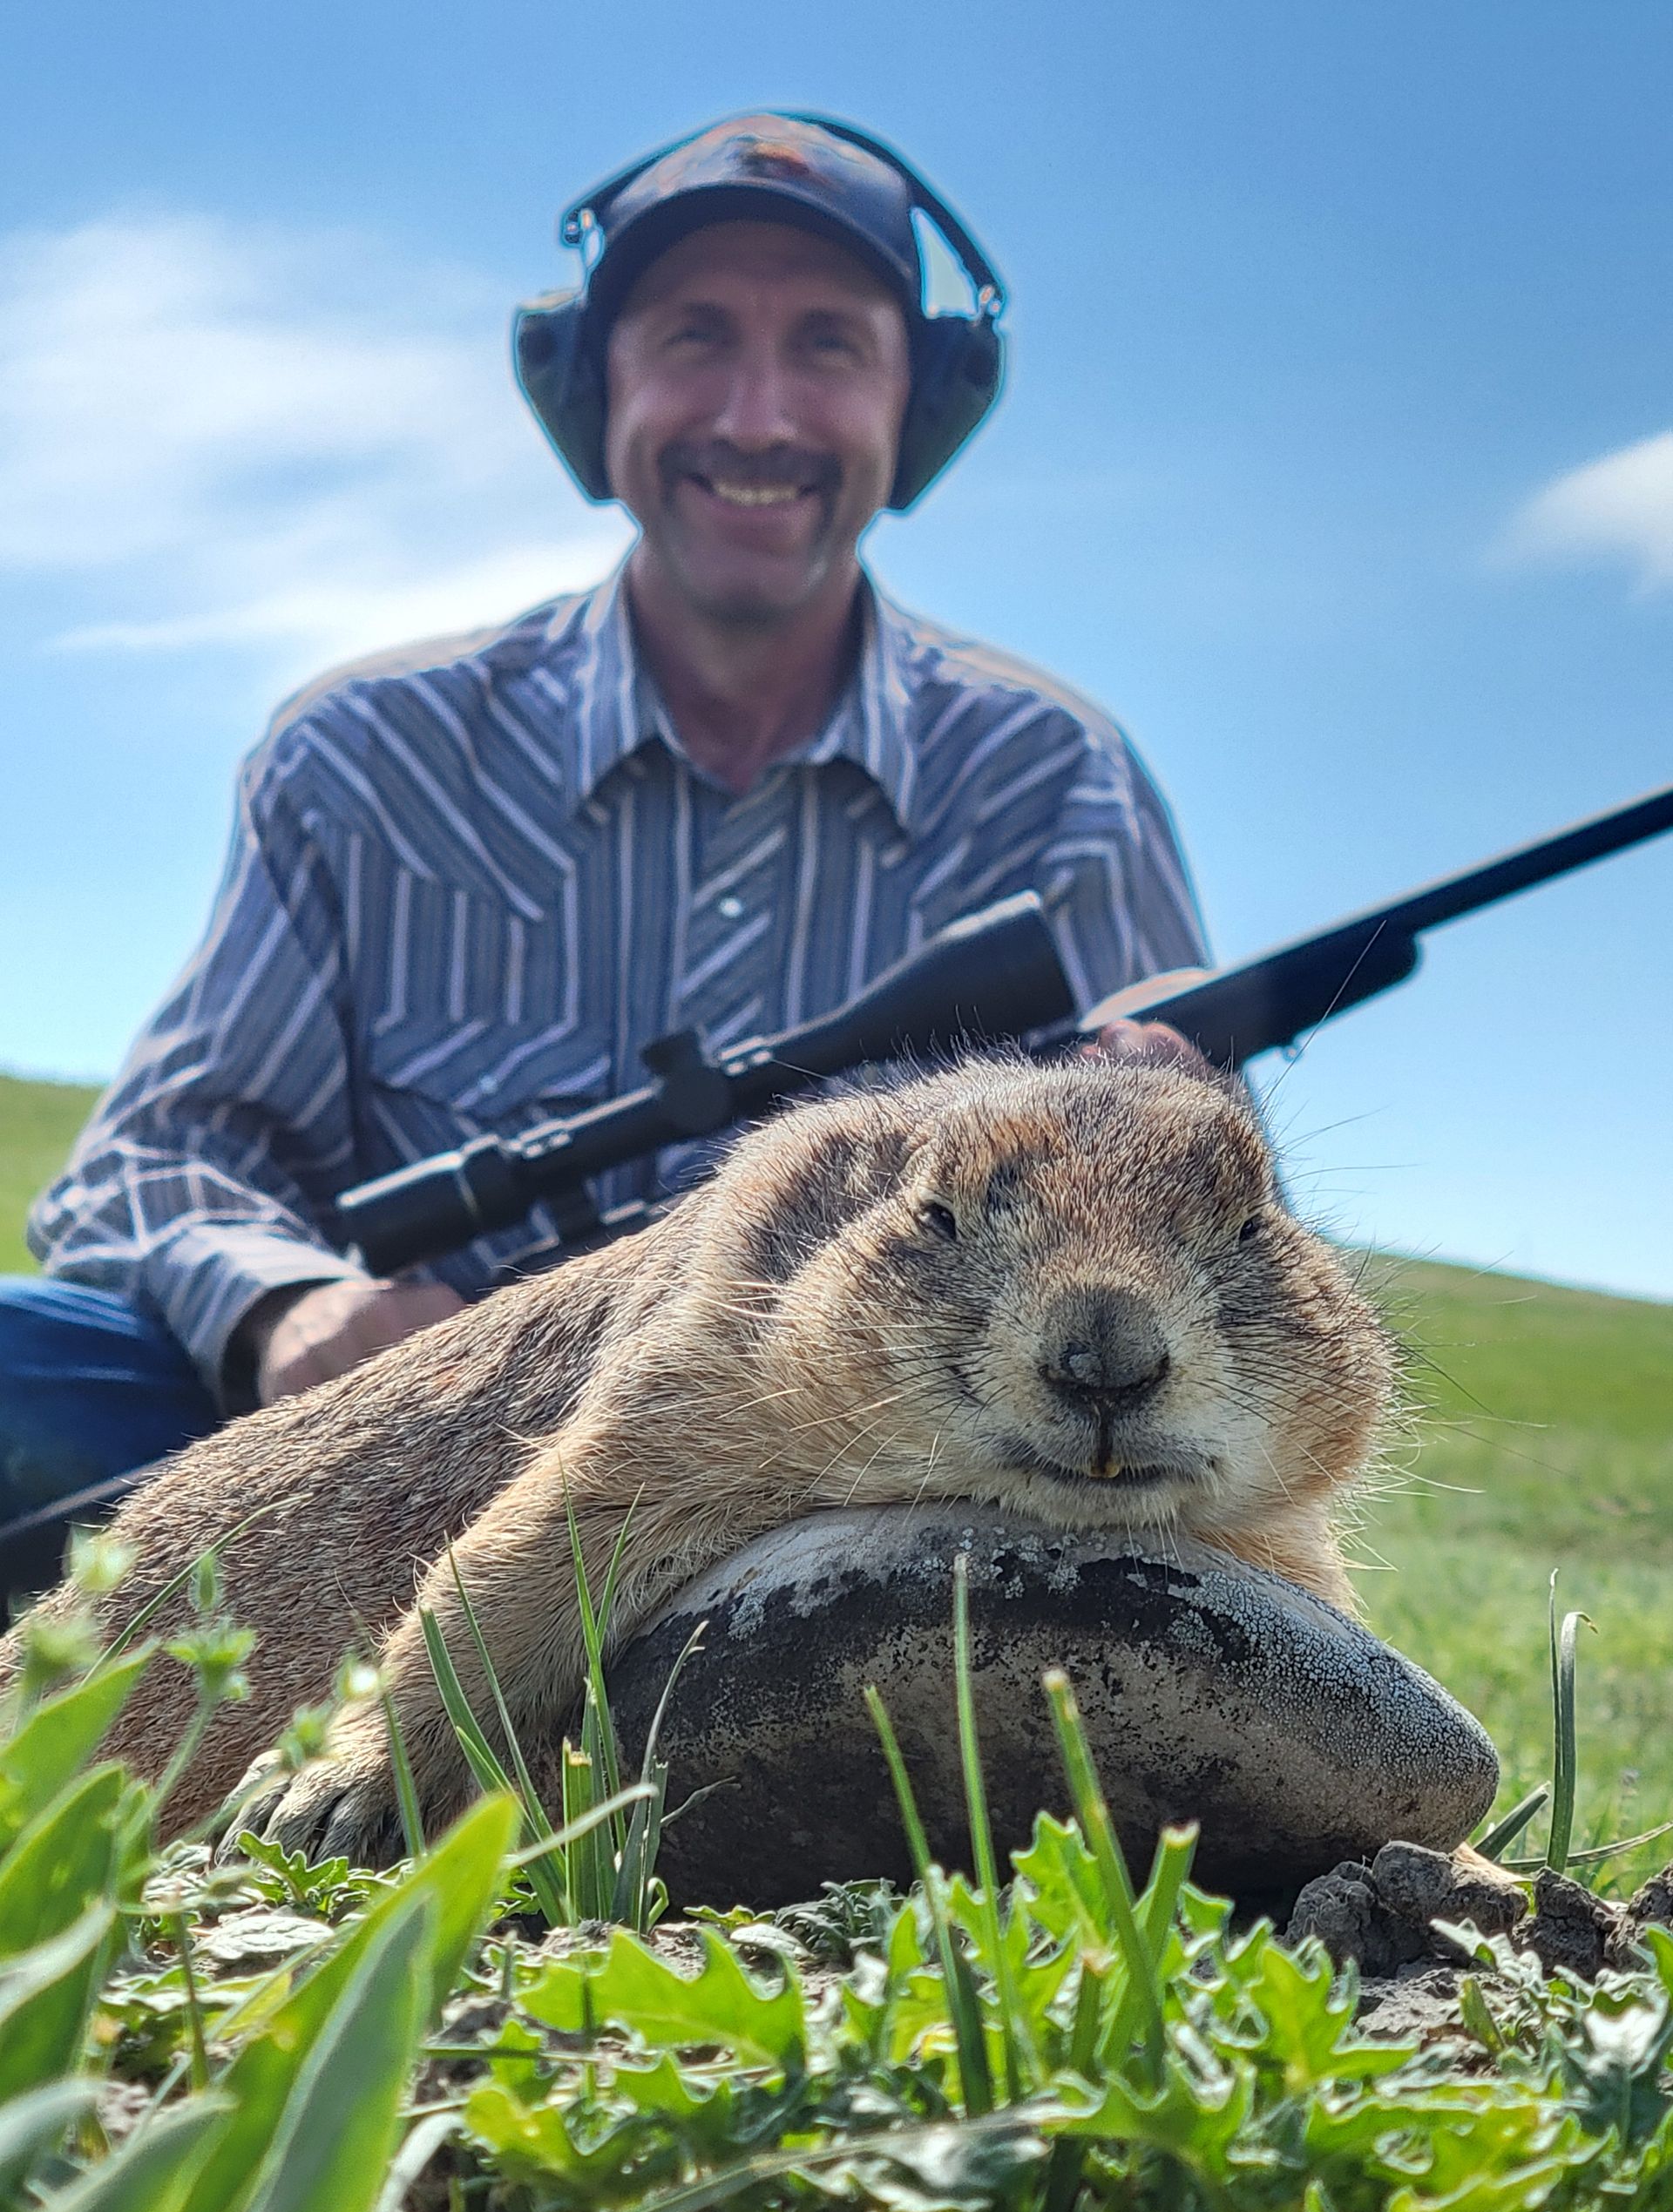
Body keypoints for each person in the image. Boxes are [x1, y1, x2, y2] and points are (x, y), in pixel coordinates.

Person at [0, 113, 1207, 1570]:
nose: (758, 417)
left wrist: (1170, 1126)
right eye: (695, 337)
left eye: (828, 345)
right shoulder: (362, 750)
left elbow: (1200, 1252)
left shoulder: (1056, 777)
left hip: (842, 1481)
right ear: (591, 389)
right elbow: (159, 1154)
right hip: (375, 1444)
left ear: (920, 410)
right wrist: (289, 1313)